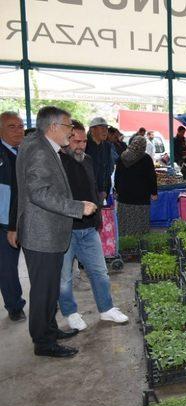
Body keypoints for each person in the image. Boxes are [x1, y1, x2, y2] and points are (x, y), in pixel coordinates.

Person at [16, 106, 98, 358]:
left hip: (46, 231)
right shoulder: (40, 150)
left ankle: (49, 329)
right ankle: (43, 342)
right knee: (43, 290)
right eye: (68, 126)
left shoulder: (42, 146)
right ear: (53, 127)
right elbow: (38, 193)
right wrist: (77, 207)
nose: (71, 132)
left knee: (49, 287)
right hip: (42, 233)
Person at [58, 121, 129, 331]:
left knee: (99, 272)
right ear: (65, 139)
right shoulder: (56, 163)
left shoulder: (87, 160)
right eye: (76, 141)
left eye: (83, 141)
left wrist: (97, 213)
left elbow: (93, 187)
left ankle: (106, 309)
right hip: (66, 229)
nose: (81, 146)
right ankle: (70, 313)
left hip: (89, 228)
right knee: (65, 278)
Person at [0, 111, 26, 321]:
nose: (19, 130)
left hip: (30, 218)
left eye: (20, 126)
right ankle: (14, 305)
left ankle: (48, 303)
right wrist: (9, 224)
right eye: (12, 126)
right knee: (7, 267)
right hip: (5, 221)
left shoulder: (26, 151)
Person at [114, 136, 158, 236]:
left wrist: (118, 190)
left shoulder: (122, 156)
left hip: (124, 197)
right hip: (141, 197)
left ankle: (126, 245)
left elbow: (117, 176)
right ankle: (140, 245)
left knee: (126, 223)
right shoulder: (146, 158)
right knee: (140, 223)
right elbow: (151, 177)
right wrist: (154, 192)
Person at [86, 117, 115, 206]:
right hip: (88, 190)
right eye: (102, 128)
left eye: (106, 128)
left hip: (104, 190)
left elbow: (109, 168)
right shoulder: (85, 145)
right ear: (92, 130)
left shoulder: (107, 146)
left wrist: (105, 190)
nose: (105, 131)